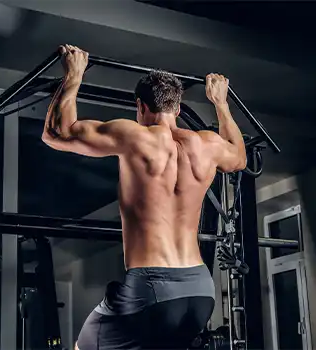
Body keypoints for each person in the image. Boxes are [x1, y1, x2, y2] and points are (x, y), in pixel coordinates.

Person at [42, 45, 247, 350]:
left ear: (140, 107)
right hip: (201, 292)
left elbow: (56, 133)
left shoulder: (136, 137)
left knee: (83, 345)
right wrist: (221, 103)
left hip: (151, 290)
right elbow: (240, 157)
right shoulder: (208, 145)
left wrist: (74, 75)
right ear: (177, 109)